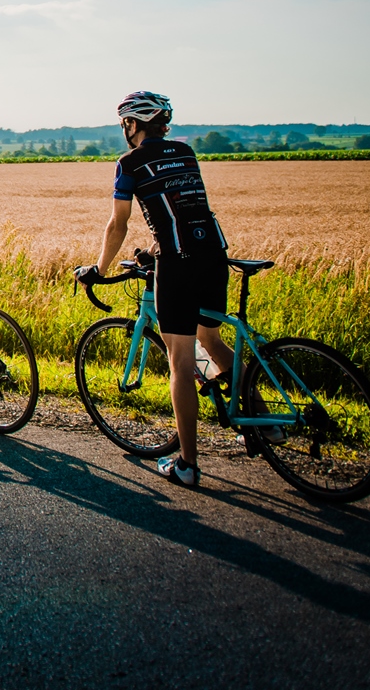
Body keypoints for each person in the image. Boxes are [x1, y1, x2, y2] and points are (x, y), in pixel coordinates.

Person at [91, 91, 234, 488]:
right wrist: (154, 246)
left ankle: (187, 464)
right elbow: (183, 206)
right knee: (213, 340)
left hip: (179, 265)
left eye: (125, 125)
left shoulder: (129, 162)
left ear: (132, 125)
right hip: (213, 254)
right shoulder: (185, 152)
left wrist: (99, 269)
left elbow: (118, 224)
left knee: (181, 363)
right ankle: (263, 423)